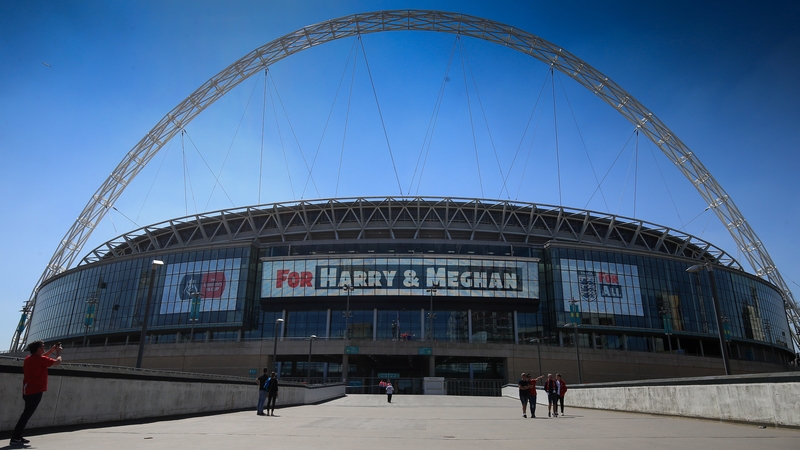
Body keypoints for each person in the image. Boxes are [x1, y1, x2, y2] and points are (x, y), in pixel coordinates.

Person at [11, 340, 62, 445]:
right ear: (38, 349)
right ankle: (16, 437)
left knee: (26, 414)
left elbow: (42, 357)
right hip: (35, 391)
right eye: (43, 346)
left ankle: (18, 436)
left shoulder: (29, 358)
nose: (44, 348)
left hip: (28, 390)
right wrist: (58, 353)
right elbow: (57, 362)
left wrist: (52, 349)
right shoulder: (39, 360)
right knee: (26, 415)